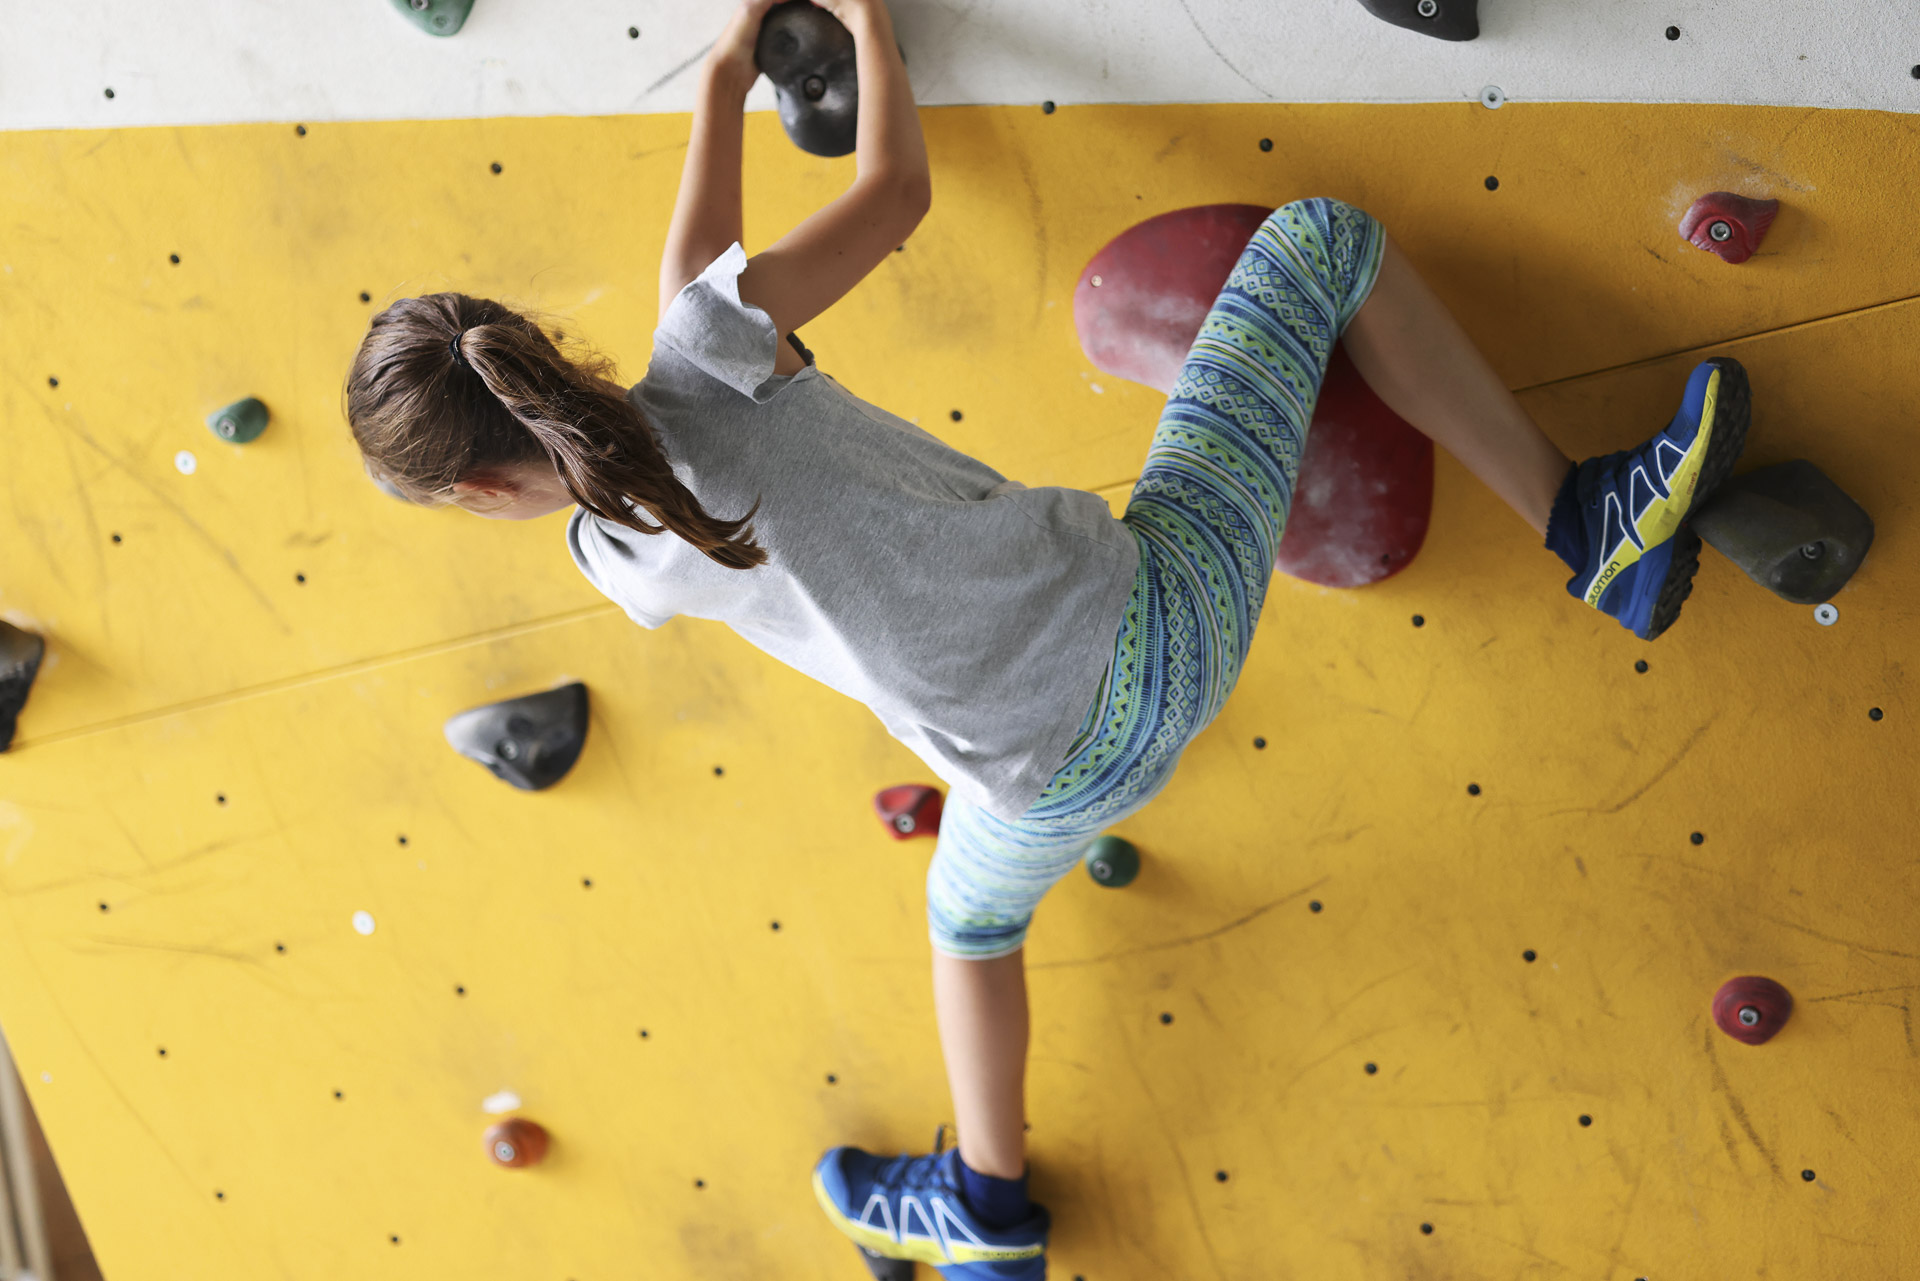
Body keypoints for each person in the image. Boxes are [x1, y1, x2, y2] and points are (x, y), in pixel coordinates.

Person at [343, 0, 1749, 1274]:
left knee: (970, 926)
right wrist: (815, 44)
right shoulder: (710, 343)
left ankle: (989, 1206)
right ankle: (1587, 524)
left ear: (481, 492)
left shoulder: (615, 562)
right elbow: (891, 195)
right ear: (529, 342)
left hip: (1046, 779)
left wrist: (721, 86)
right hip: (1160, 611)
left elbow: (656, 380)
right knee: (1322, 242)